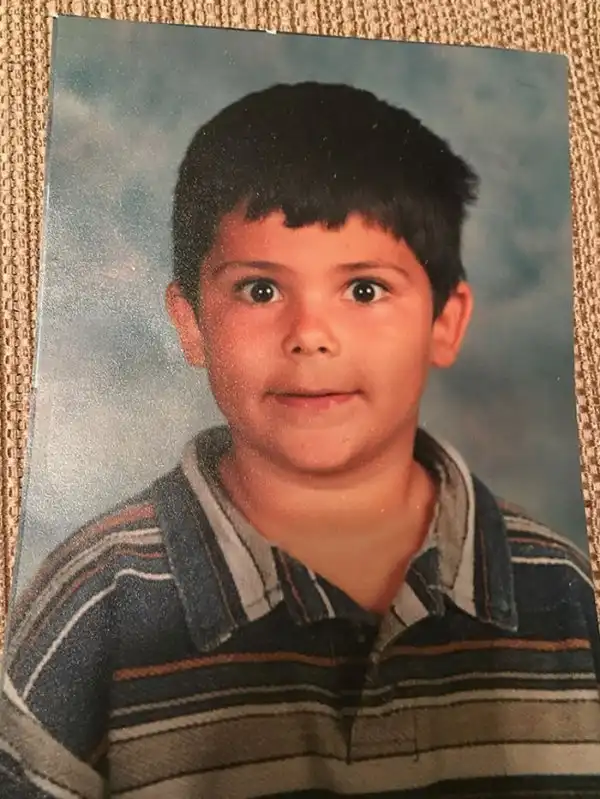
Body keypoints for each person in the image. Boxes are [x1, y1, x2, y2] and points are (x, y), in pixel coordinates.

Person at [1, 82, 599, 799]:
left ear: (445, 321)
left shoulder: (568, 594)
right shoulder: (93, 603)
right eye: (260, 290)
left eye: (364, 289)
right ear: (190, 323)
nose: (310, 335)